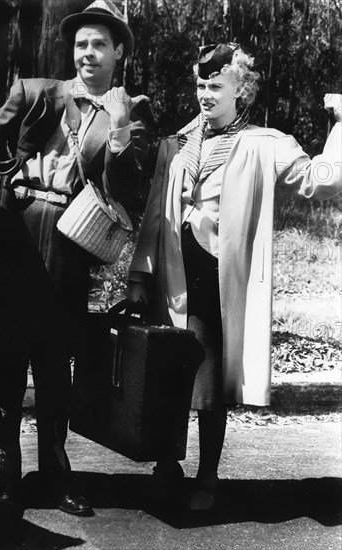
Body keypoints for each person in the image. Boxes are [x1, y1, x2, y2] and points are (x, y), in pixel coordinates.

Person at [0, 0, 148, 520]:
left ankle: (56, 478)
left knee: (53, 370)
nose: (88, 54)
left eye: (100, 45)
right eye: (81, 44)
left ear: (119, 53)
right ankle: (3, 480)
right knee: (3, 367)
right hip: (14, 234)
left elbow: (126, 188)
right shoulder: (37, 92)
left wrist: (119, 129)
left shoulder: (128, 111)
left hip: (70, 241)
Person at [127, 43, 341, 512]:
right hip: (171, 275)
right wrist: (139, 276)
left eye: (216, 86)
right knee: (167, 376)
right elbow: (153, 215)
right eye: (201, 85)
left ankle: (207, 478)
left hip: (217, 283)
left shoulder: (265, 143)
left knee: (205, 383)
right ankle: (167, 464)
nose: (205, 94)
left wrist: (341, 126)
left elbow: (321, 180)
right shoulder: (177, 143)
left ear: (239, 89)